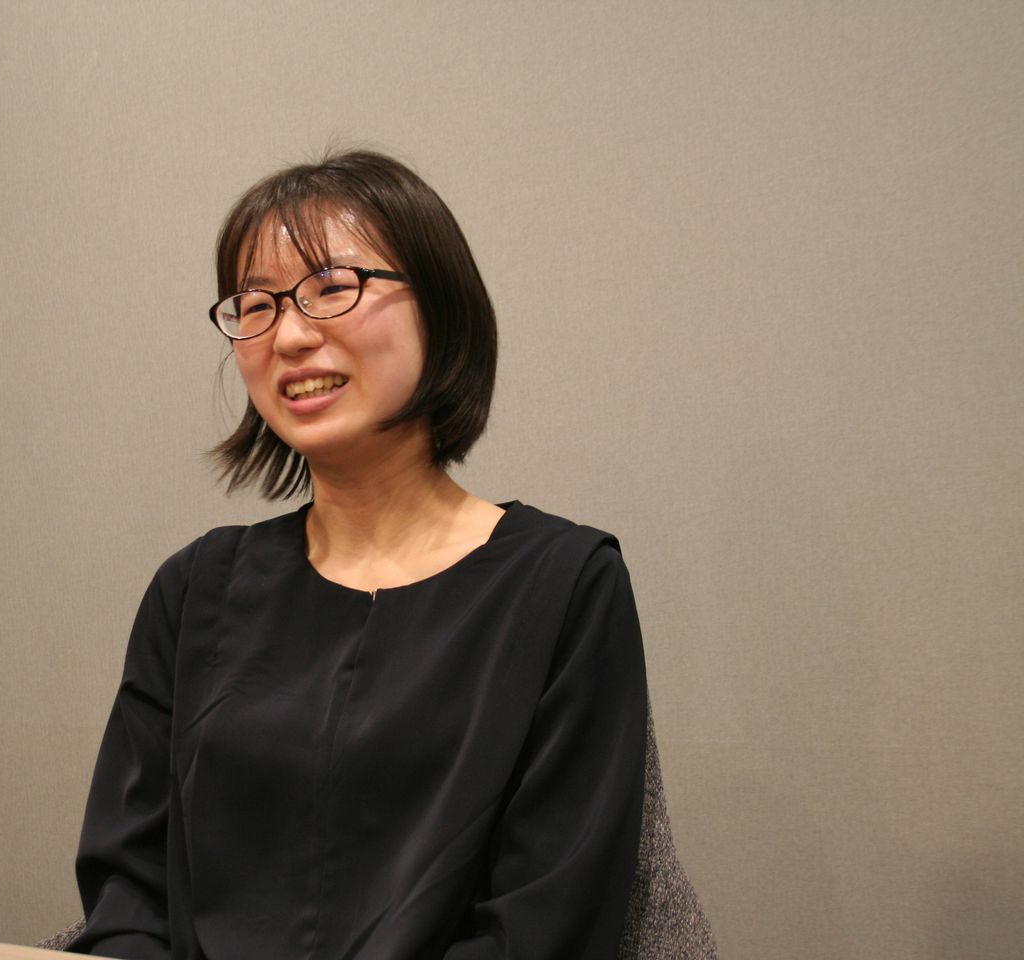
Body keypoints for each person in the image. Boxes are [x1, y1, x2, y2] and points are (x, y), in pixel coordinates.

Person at [70, 151, 651, 960]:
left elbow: (545, 927)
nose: (290, 335)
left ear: (439, 307)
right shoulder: (194, 590)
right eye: (255, 305)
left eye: (332, 288)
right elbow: (126, 894)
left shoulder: (565, 586)